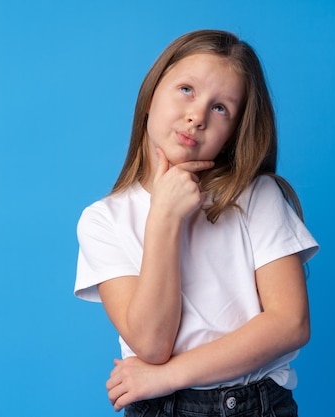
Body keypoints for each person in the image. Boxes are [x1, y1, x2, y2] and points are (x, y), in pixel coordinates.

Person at [74, 29, 319, 417]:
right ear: (151, 93)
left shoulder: (255, 196)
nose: (197, 116)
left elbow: (291, 323)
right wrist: (164, 218)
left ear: (233, 133)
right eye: (186, 89)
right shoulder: (103, 220)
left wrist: (166, 376)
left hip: (253, 404)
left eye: (221, 108)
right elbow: (152, 344)